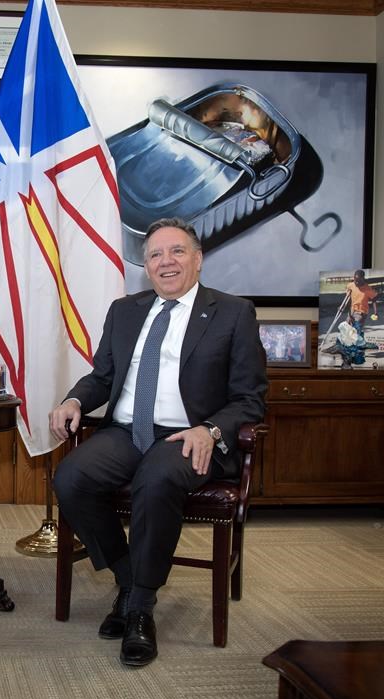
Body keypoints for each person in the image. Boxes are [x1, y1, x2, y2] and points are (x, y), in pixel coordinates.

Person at [48, 217, 267, 668]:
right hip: (127, 431)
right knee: (71, 477)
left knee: (157, 476)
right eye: (155, 255)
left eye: (177, 251)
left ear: (198, 258)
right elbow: (103, 377)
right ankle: (128, 579)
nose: (166, 262)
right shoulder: (125, 310)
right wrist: (73, 400)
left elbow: (250, 399)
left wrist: (212, 430)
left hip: (190, 435)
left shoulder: (233, 312)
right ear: (145, 266)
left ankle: (140, 609)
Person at [345, 269, 378, 335]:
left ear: (363, 279)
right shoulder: (351, 285)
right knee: (347, 327)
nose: (356, 282)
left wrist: (375, 312)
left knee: (356, 328)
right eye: (355, 280)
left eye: (358, 281)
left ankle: (355, 341)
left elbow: (374, 300)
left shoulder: (368, 289)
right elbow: (347, 298)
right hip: (352, 310)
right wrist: (344, 308)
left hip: (361, 312)